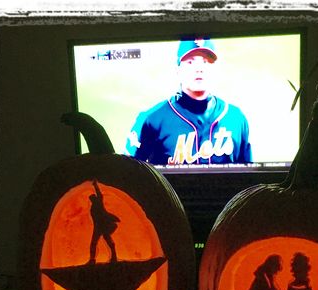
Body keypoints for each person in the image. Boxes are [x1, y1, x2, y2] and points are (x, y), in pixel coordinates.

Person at [124, 37, 252, 165]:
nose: (199, 69)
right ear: (178, 70)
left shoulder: (236, 118)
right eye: (190, 62)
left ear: (215, 69)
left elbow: (249, 177)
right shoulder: (151, 119)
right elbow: (128, 172)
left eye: (206, 62)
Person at [88, 180, 120, 264]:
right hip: (98, 226)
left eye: (94, 198)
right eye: (92, 199)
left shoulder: (99, 203)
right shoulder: (92, 209)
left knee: (107, 239)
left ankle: (114, 256)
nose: (93, 199)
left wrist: (95, 186)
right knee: (94, 243)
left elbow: (99, 194)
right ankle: (92, 259)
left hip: (105, 225)